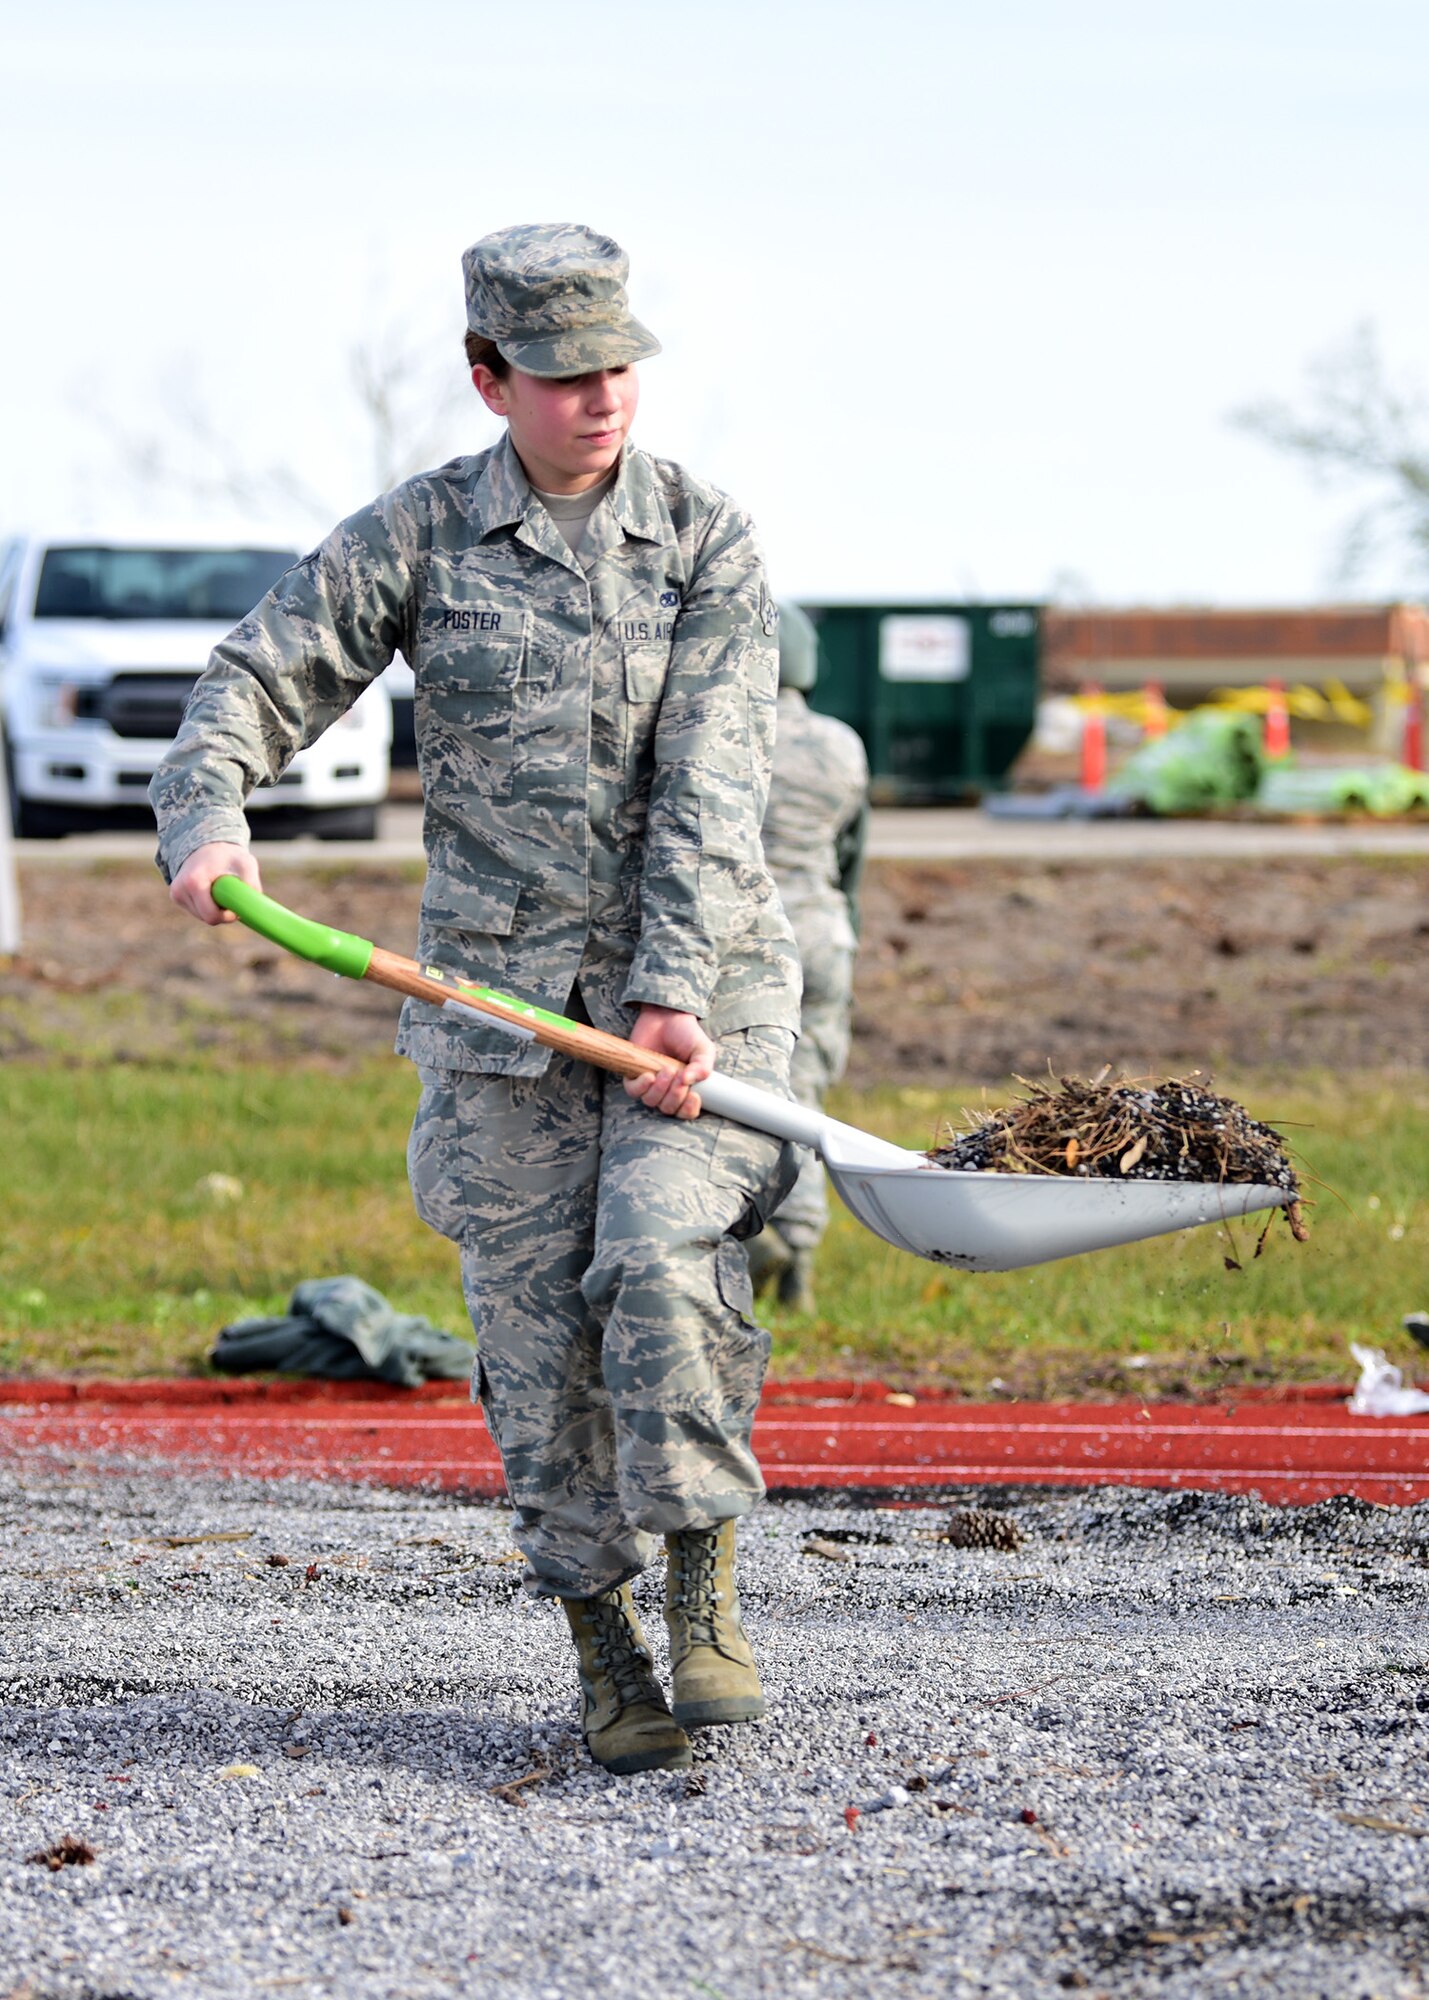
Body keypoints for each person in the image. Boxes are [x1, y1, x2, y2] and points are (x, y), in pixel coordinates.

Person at [152, 223, 802, 1778]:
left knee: (656, 1267)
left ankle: (706, 1580)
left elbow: (717, 785)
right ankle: (601, 1643)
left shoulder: (705, 536)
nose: (602, 398)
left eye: (619, 366)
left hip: (697, 993)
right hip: (498, 1011)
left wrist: (667, 994)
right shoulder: (426, 535)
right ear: (488, 377)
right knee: (528, 1337)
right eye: (566, 373)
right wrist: (210, 813)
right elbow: (260, 674)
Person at [747, 602, 869, 1313]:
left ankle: (745, 1232)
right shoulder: (841, 745)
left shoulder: (723, 729)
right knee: (804, 1098)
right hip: (823, 936)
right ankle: (800, 1265)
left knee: (725, 1096)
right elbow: (851, 858)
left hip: (745, 936)